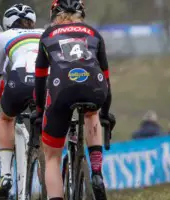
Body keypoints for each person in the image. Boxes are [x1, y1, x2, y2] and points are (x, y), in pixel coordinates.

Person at [34, 1, 116, 200]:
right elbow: (106, 78)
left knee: (52, 156)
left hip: (62, 87)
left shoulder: (47, 35)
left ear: (54, 14)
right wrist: (105, 112)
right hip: (94, 87)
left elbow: (40, 78)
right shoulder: (94, 33)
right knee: (92, 113)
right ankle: (96, 172)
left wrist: (39, 111)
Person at [0, 4, 43, 198]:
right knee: (49, 132)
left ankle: (6, 174)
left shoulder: (3, 37)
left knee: (6, 118)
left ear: (7, 24)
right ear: (32, 22)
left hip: (20, 80)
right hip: (44, 82)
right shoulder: (44, 33)